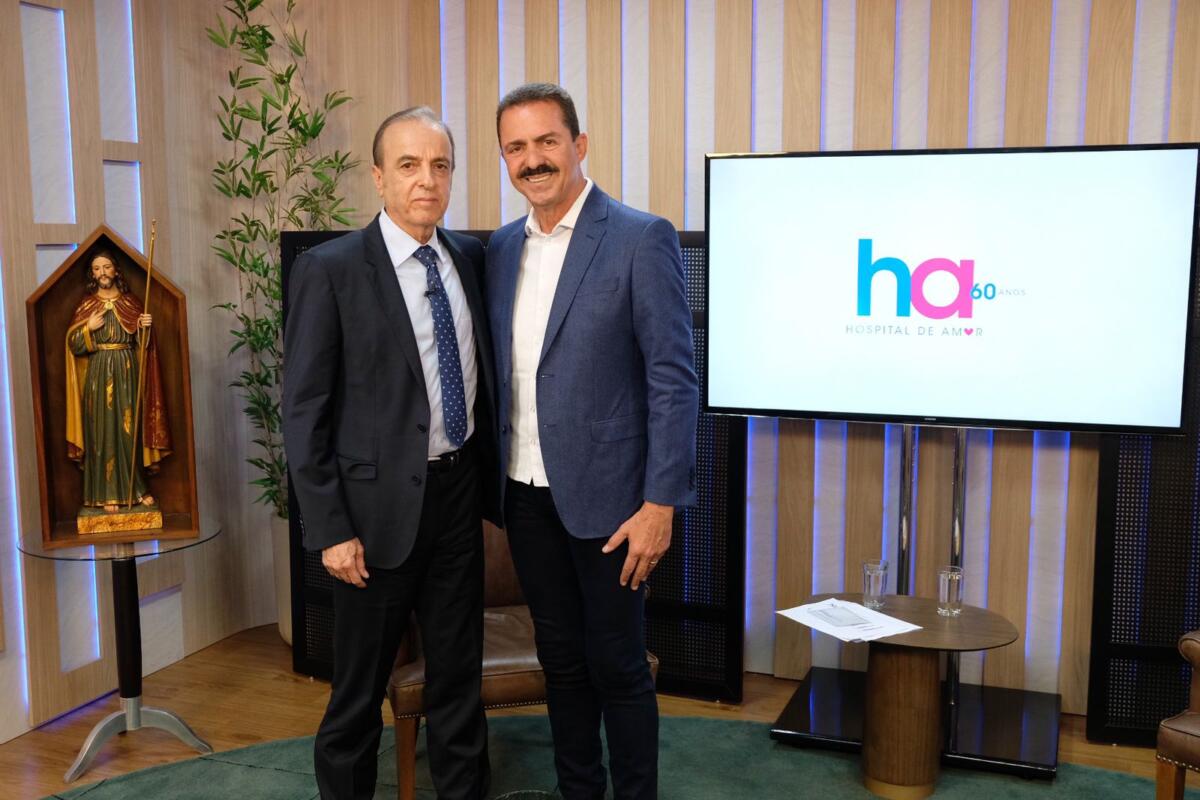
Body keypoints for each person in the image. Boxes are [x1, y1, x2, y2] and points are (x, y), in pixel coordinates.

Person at [486, 83, 698, 800]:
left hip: (614, 507)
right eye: (516, 147)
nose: (533, 159)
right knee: (562, 663)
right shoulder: (501, 249)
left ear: (579, 145)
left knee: (618, 666)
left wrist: (660, 505)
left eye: (547, 141)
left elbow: (673, 379)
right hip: (525, 498)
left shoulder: (641, 236)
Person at [282, 106, 497, 800]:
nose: (426, 180)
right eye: (408, 165)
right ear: (378, 177)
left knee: (459, 680)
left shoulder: (470, 258)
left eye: (439, 166)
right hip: (370, 520)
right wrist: (330, 530)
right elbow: (304, 412)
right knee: (357, 694)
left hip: (457, 498)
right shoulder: (331, 270)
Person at [66, 250, 170, 514]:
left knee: (129, 430)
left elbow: (143, 347)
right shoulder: (87, 305)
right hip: (99, 372)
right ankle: (105, 493)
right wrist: (87, 328)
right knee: (100, 431)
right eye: (97, 268)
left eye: (107, 267)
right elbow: (73, 345)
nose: (102, 272)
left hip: (127, 371)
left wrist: (144, 328)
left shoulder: (131, 302)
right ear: (92, 274)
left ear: (116, 271)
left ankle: (137, 489)